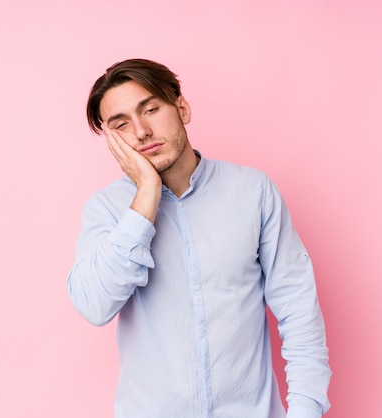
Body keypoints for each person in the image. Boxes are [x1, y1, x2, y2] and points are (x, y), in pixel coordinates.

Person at [67, 58, 331, 418]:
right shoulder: (106, 210)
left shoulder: (253, 192)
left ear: (182, 107)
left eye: (151, 109)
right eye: (122, 125)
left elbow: (299, 312)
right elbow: (94, 305)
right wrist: (146, 195)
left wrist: (304, 412)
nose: (142, 131)